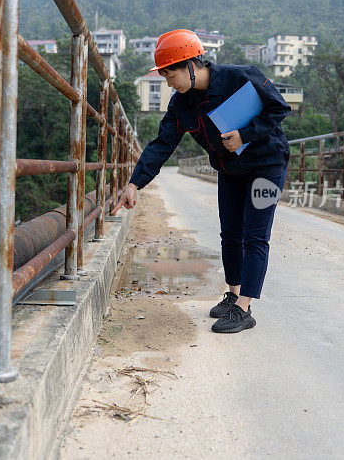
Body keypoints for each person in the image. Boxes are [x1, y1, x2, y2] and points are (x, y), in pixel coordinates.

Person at [111, 29, 291, 334]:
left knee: (255, 236)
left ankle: (244, 309)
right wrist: (134, 184)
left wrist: (245, 135)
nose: (168, 82)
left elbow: (279, 108)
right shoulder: (182, 104)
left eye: (170, 75)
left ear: (192, 65)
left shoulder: (241, 77)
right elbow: (162, 144)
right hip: (231, 170)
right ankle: (233, 294)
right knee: (230, 234)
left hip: (267, 166)